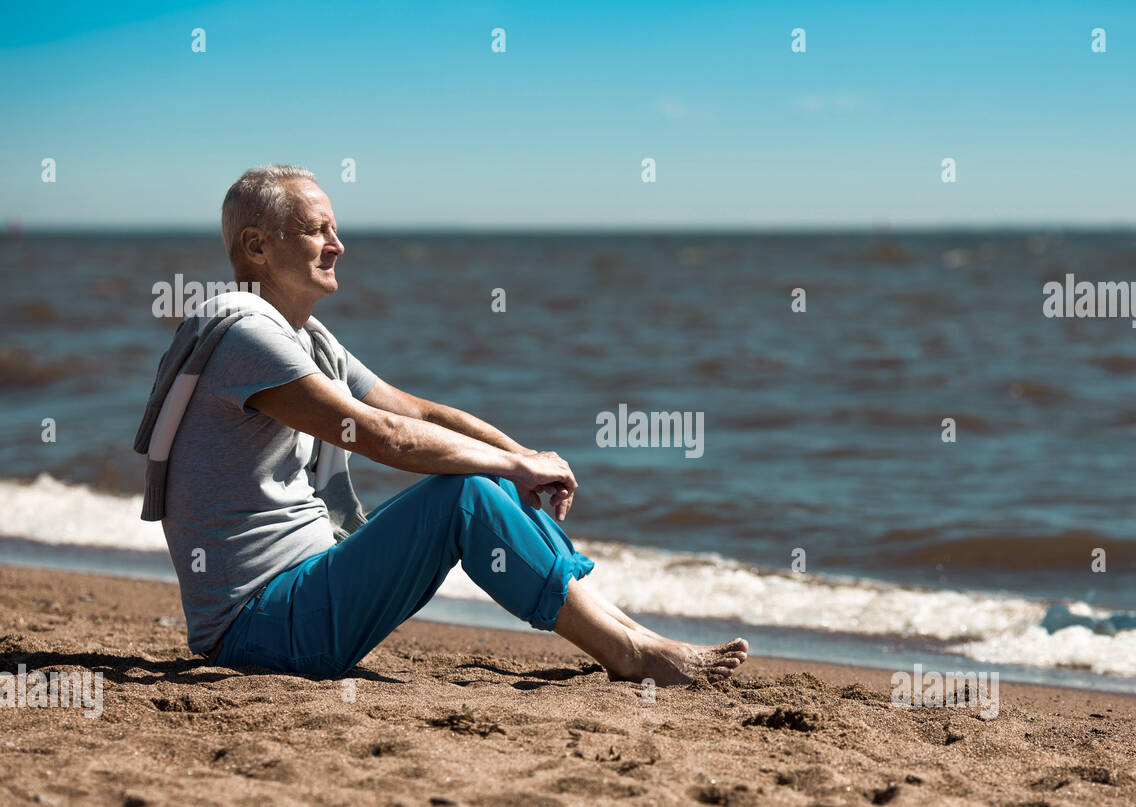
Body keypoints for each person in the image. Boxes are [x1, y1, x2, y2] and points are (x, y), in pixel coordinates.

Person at [147, 165, 748, 686]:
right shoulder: (249, 337)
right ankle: (631, 653)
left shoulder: (303, 338)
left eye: (334, 228)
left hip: (298, 591)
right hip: (260, 627)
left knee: (480, 484)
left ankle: (631, 638)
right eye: (317, 230)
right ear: (256, 246)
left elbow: (417, 412)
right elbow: (384, 436)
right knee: (463, 493)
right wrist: (513, 468)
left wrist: (525, 456)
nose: (338, 245)